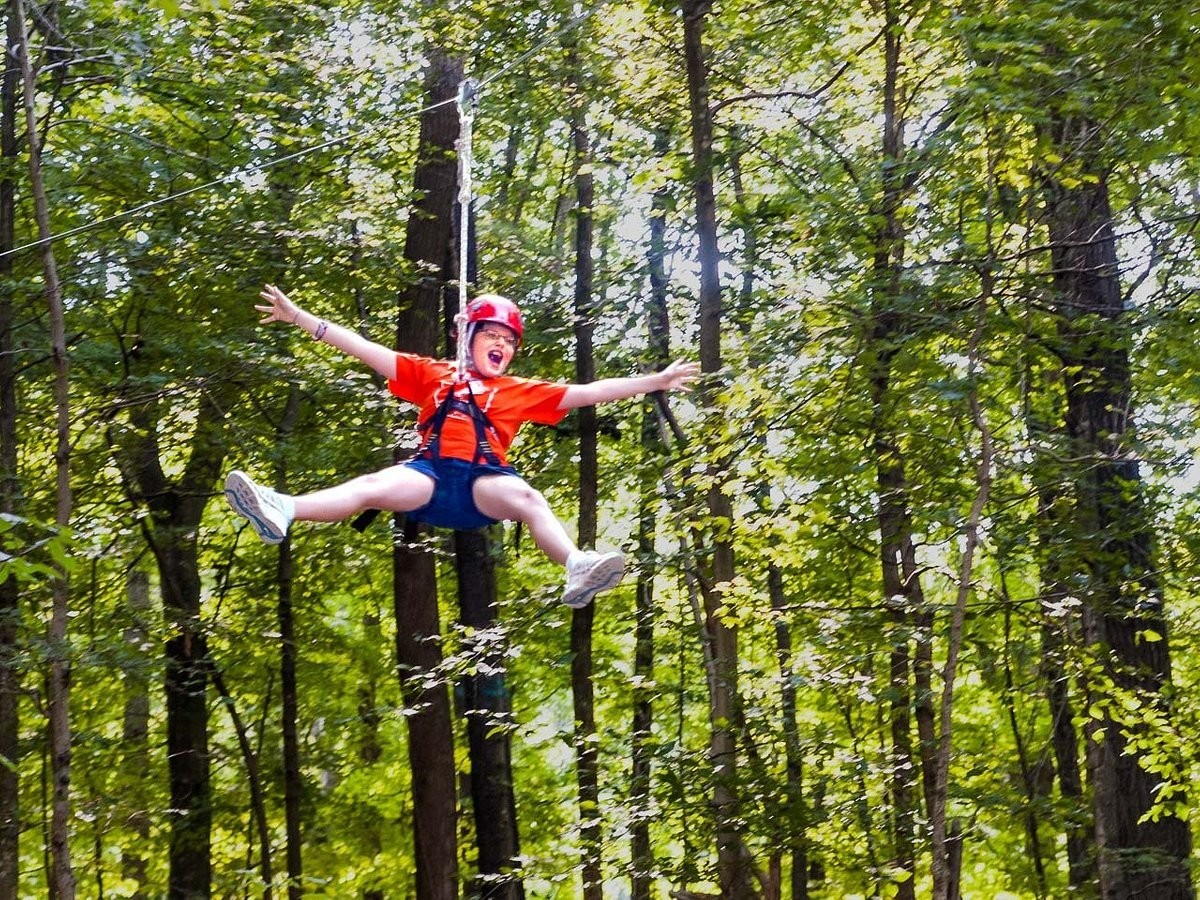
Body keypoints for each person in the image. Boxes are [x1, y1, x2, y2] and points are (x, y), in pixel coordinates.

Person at [225, 283, 700, 608]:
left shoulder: (518, 390)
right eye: (491, 335)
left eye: (508, 341)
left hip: (481, 486)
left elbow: (588, 393)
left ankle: (576, 565)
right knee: (372, 484)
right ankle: (282, 508)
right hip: (429, 478)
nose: (501, 346)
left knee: (529, 498)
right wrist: (299, 317)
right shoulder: (432, 373)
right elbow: (363, 349)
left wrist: (654, 380)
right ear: (466, 337)